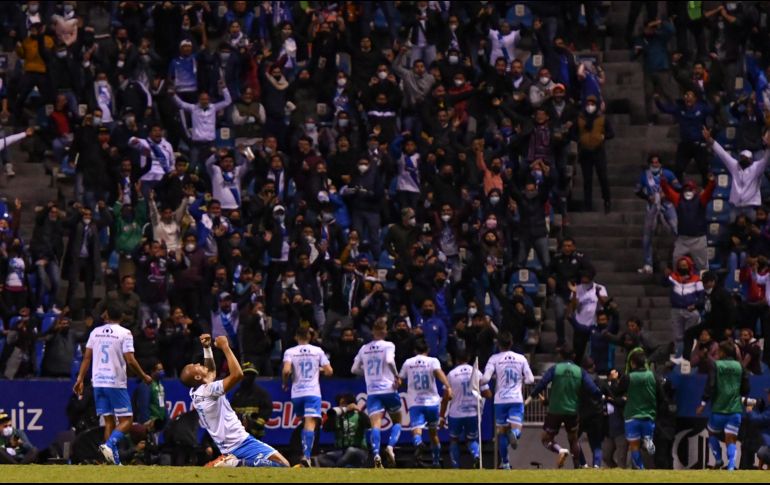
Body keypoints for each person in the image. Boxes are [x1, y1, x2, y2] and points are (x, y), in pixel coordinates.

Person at [180, 334, 290, 468]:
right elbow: (237, 375)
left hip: (230, 444)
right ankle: (235, 463)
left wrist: (207, 348)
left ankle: (234, 462)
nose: (197, 363)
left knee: (281, 465)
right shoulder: (208, 390)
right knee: (283, 465)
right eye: (194, 365)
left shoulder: (196, 391)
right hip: (239, 441)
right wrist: (225, 347)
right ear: (197, 376)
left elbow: (211, 373)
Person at [73, 303, 153, 465]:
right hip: (115, 382)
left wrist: (80, 378)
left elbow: (87, 357)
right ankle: (109, 445)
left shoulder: (95, 332)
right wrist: (143, 375)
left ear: (107, 316)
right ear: (122, 317)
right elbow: (130, 359)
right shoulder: (125, 333)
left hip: (98, 382)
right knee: (127, 421)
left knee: (109, 420)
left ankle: (113, 462)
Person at [528, 347, 603, 469]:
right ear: (573, 356)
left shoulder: (555, 369)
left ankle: (560, 451)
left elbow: (542, 383)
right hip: (572, 411)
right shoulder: (579, 371)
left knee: (546, 439)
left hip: (555, 411)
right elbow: (593, 389)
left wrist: (531, 396)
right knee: (573, 439)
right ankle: (577, 466)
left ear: (561, 356)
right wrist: (601, 396)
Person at [350, 317, 403, 469]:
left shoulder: (364, 348)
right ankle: (391, 447)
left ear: (373, 331)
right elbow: (389, 361)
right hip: (388, 388)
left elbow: (354, 369)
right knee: (397, 421)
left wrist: (366, 372)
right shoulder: (388, 345)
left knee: (375, 425)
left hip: (372, 391)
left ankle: (376, 454)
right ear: (385, 331)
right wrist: (396, 376)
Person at [481, 331, 535, 469]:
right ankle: (515, 434)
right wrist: (520, 380)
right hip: (516, 399)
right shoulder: (521, 358)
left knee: (502, 434)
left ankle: (505, 463)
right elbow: (530, 379)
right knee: (516, 429)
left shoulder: (494, 358)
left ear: (498, 344)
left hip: (500, 400)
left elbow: (486, 379)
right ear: (511, 343)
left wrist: (477, 382)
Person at [282, 326, 334, 467]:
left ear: (296, 337)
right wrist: (319, 369)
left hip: (297, 393)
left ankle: (304, 453)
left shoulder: (290, 352)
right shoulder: (317, 351)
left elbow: (286, 371)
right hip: (312, 392)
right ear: (310, 336)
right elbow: (329, 371)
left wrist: (285, 383)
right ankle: (307, 455)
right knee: (310, 423)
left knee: (305, 421)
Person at [696, 341, 751, 471]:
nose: (717, 353)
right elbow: (746, 388)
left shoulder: (716, 365)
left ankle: (719, 460)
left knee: (712, 433)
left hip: (718, 410)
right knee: (731, 439)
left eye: (719, 351)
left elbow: (711, 384)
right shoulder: (740, 366)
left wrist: (703, 403)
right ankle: (731, 466)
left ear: (723, 352)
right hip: (735, 410)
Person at [399, 337, 452, 468]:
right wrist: (448, 386)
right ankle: (436, 460)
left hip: (415, 402)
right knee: (433, 433)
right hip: (432, 402)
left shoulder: (408, 362)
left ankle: (418, 443)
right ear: (427, 349)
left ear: (414, 350)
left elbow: (400, 380)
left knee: (416, 429)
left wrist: (400, 384)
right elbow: (438, 373)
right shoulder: (433, 361)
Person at [614, 350, 660, 470]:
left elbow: (617, 392)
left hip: (632, 415)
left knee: (634, 446)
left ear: (633, 363)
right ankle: (648, 440)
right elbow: (660, 394)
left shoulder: (628, 377)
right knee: (647, 439)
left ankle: (640, 469)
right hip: (649, 416)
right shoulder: (652, 376)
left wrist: (614, 381)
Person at [635, 154, 680, 274]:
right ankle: (648, 264)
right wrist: (648, 197)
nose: (655, 164)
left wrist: (668, 193)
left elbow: (678, 187)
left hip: (667, 204)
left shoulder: (668, 174)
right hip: (652, 205)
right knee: (647, 235)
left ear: (660, 164)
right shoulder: (645, 175)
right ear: (650, 164)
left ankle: (678, 260)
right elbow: (637, 191)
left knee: (676, 228)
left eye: (657, 162)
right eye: (653, 162)